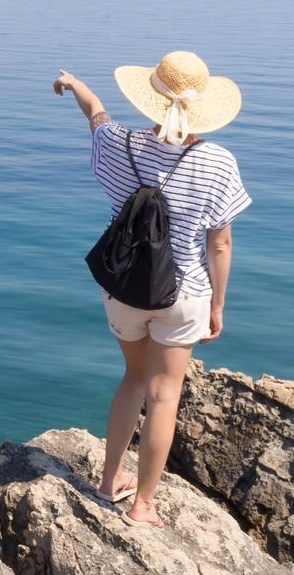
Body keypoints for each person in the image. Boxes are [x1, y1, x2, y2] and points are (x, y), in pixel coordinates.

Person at [52, 51, 250, 528]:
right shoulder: (218, 162)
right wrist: (218, 306)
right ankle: (143, 505)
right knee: (165, 393)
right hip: (182, 296)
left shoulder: (119, 145)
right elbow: (219, 244)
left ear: (150, 99)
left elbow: (97, 115)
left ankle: (108, 481)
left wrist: (76, 85)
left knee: (133, 379)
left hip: (124, 290)